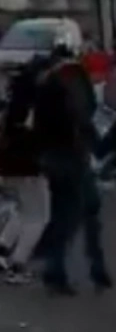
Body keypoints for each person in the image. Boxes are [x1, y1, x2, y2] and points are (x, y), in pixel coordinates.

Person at [34, 43, 111, 295]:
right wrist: (98, 146)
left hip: (51, 156)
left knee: (62, 214)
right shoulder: (72, 78)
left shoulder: (45, 82)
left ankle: (58, 269)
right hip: (72, 156)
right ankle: (85, 269)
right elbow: (84, 115)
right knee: (82, 211)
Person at [0, 54, 52, 284]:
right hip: (27, 165)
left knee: (22, 211)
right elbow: (34, 134)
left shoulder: (16, 98)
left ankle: (3, 250)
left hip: (9, 164)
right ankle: (17, 265)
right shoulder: (34, 101)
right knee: (39, 217)